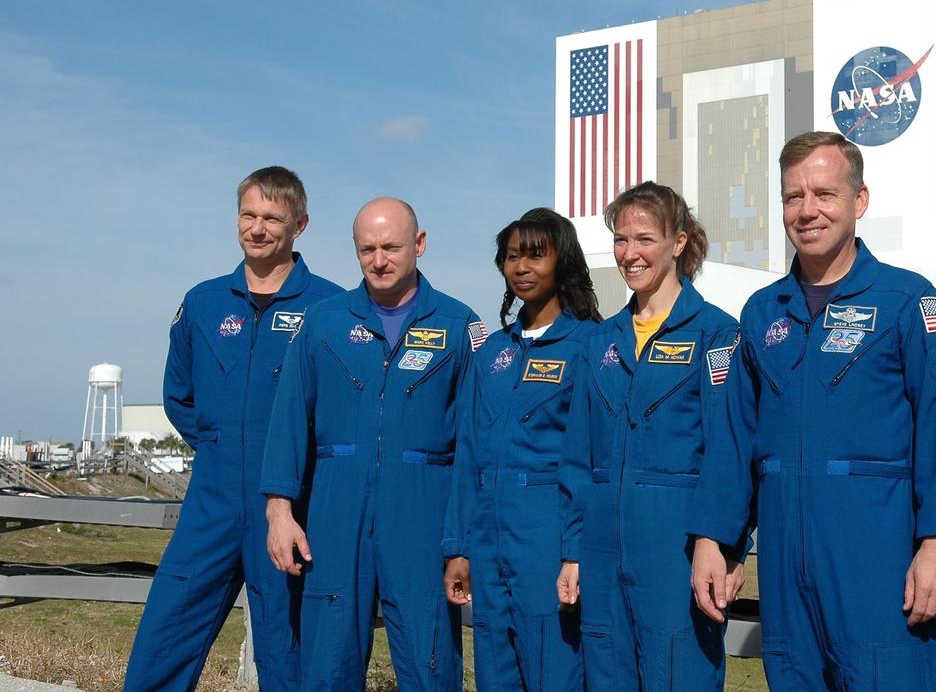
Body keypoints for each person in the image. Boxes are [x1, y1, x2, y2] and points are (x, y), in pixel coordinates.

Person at [690, 132, 936, 690]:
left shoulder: (907, 301)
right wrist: (715, 538)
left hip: (878, 567)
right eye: (793, 196)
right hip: (785, 570)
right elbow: (733, 438)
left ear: (859, 202)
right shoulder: (760, 314)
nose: (807, 210)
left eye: (824, 193)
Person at [124, 166, 342, 692]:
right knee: (167, 629)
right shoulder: (202, 303)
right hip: (213, 498)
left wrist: (288, 469)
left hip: (291, 504)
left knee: (286, 644)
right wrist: (221, 447)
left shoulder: (332, 309)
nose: (258, 227)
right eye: (249, 214)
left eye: (273, 217)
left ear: (300, 224)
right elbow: (179, 396)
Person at [260, 197, 487, 691]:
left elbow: (476, 444)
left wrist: (462, 543)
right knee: (327, 663)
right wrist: (279, 513)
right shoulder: (323, 323)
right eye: (367, 249)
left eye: (391, 247)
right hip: (336, 518)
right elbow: (289, 421)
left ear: (419, 244)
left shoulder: (458, 325)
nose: (379, 261)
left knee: (431, 664)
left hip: (423, 519)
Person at [557, 182, 741, 692]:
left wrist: (725, 548)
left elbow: (729, 453)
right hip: (600, 551)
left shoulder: (716, 336)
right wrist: (572, 552)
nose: (629, 253)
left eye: (644, 239)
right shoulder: (598, 342)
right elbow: (578, 458)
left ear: (678, 242)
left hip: (676, 553)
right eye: (621, 239)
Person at [441, 208, 600, 692]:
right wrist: (458, 548)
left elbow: (590, 461)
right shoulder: (492, 353)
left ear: (563, 262)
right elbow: (467, 453)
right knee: (494, 666)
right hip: (488, 539)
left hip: (545, 535)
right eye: (512, 257)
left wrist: (574, 550)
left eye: (536, 255)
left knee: (554, 666)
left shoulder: (590, 345)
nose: (522, 267)